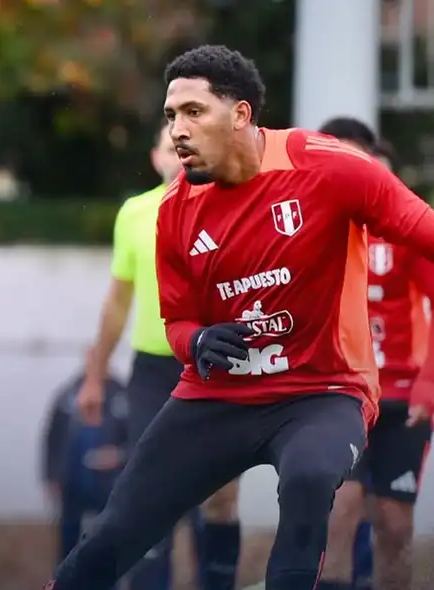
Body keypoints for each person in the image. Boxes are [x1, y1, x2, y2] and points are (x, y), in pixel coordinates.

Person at [45, 44, 434, 590]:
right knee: (117, 532)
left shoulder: (328, 167)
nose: (178, 129)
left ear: (242, 114)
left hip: (322, 391)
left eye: (194, 112)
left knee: (310, 477)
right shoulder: (175, 212)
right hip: (218, 397)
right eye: (171, 115)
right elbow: (178, 323)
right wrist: (197, 339)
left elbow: (425, 230)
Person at [78, 122, 241, 590]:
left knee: (219, 496)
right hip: (153, 368)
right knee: (148, 492)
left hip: (216, 366)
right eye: (171, 148)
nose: (179, 156)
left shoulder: (230, 206)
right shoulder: (135, 213)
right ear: (156, 158)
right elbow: (117, 301)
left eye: (187, 147)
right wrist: (95, 375)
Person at [315, 120, 434, 590]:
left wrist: (429, 380)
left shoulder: (406, 231)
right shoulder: (307, 227)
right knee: (341, 508)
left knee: (395, 524)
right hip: (340, 393)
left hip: (402, 392)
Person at [41, 355, 129, 562]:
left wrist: (119, 456)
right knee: (68, 538)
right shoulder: (68, 394)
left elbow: (139, 439)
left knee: (106, 540)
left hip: (109, 484)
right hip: (72, 480)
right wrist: (51, 476)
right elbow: (52, 438)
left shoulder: (123, 395)